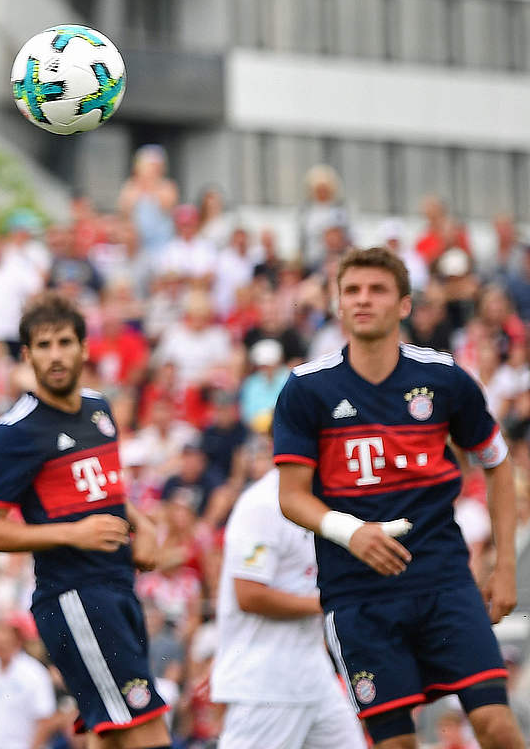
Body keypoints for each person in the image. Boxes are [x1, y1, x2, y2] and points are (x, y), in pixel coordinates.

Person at [273, 246, 525, 749]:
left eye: (378, 289)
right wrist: (352, 533)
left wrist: (504, 569)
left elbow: (498, 462)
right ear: (339, 304)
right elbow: (292, 497)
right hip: (356, 594)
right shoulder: (307, 388)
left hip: (444, 580)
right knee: (396, 744)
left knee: (496, 724)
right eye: (353, 291)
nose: (364, 300)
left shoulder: (444, 378)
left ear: (404, 305)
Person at [0, 293, 170, 749]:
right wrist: (74, 533)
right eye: (43, 345)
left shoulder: (99, 409)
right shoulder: (13, 433)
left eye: (64, 342)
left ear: (84, 348)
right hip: (75, 596)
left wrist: (144, 525)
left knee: (112, 734)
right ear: (27, 355)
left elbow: (106, 487)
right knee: (148, 731)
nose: (55, 355)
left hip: (117, 587)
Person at [211, 465, 366, 749]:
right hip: (266, 680)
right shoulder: (262, 505)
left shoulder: (319, 499)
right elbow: (248, 595)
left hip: (313, 674)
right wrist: (327, 601)